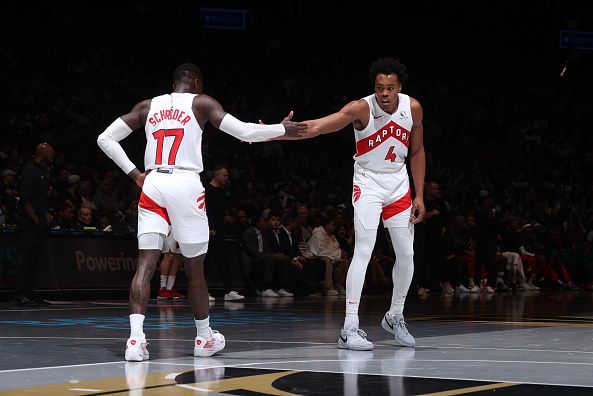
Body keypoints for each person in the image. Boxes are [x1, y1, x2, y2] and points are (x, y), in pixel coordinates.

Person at [96, 62, 306, 361]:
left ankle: (135, 341)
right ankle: (204, 338)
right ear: (195, 82)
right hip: (185, 182)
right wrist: (280, 129)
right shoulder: (202, 103)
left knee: (145, 264)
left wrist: (135, 174)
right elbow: (244, 132)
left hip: (154, 181)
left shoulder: (147, 106)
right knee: (194, 269)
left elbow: (104, 139)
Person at [273, 57, 426, 350]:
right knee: (364, 250)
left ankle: (395, 316)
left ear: (399, 88)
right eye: (380, 87)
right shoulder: (360, 108)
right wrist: (279, 131)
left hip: (398, 184)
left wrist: (419, 194)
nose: (384, 93)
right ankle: (349, 328)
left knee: (407, 254)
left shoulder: (413, 108)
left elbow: (417, 152)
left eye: (390, 88)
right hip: (368, 182)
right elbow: (320, 126)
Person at [12, 142, 55, 307]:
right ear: (42, 151)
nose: (52, 155)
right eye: (50, 152)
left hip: (39, 220)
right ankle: (20, 294)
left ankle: (30, 293)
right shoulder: (30, 171)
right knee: (25, 259)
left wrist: (45, 215)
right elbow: (25, 199)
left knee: (34, 259)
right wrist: (36, 220)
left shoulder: (41, 171)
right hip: (30, 222)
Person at [204, 164, 245, 301]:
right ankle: (204, 291)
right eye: (224, 175)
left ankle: (228, 291)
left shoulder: (222, 192)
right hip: (208, 232)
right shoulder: (206, 190)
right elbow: (204, 212)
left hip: (220, 232)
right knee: (206, 263)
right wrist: (209, 228)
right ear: (216, 175)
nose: (227, 178)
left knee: (224, 262)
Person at [157, 230, 187, 300]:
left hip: (180, 226)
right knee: (169, 254)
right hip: (170, 225)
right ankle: (162, 288)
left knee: (177, 256)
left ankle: (170, 288)